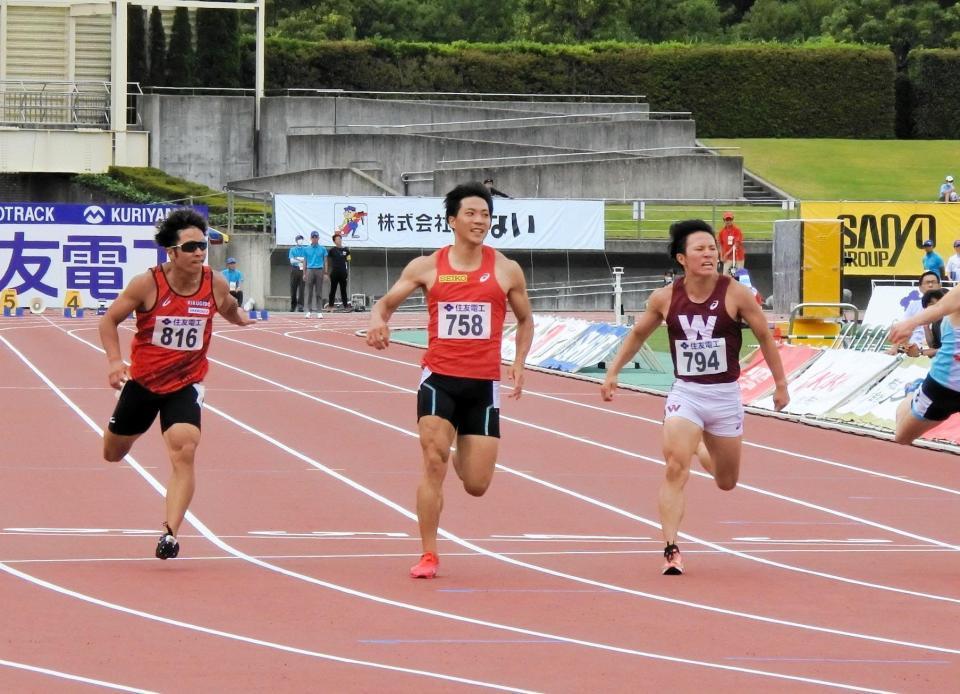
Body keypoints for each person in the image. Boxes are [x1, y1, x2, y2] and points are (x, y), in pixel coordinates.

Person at [600, 219, 789, 576]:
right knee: (674, 466)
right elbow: (638, 334)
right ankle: (671, 548)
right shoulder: (665, 298)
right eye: (700, 249)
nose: (709, 255)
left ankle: (702, 446)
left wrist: (781, 385)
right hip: (686, 393)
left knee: (726, 480)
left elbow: (765, 336)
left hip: (725, 396)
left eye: (712, 249)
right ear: (681, 258)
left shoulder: (735, 293)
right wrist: (613, 372)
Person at [366, 181, 534, 579]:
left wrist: (521, 360)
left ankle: (461, 441)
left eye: (486, 215)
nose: (480, 221)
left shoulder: (506, 269)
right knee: (433, 461)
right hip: (439, 378)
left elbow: (526, 319)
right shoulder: (427, 266)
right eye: (472, 214)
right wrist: (377, 322)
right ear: (452, 220)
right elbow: (384, 304)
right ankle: (429, 553)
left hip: (482, 386)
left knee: (477, 483)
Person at [98, 208, 255, 559]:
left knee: (185, 448)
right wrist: (113, 361)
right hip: (143, 382)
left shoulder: (214, 280)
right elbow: (109, 320)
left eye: (203, 246)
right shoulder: (147, 283)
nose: (200, 252)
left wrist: (239, 317)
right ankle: (117, 431)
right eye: (192, 247)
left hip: (187, 381)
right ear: (172, 252)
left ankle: (169, 533)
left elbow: (225, 304)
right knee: (112, 453)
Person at [889, 281, 960, 445]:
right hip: (944, 386)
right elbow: (938, 308)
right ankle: (913, 392)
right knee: (902, 437)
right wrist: (909, 323)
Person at [887, 271, 942, 357]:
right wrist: (894, 348)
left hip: (932, 349)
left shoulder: (948, 307)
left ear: (939, 286)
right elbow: (905, 328)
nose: (930, 285)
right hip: (912, 347)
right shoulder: (913, 305)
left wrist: (921, 352)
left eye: (933, 282)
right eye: (927, 283)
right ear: (920, 288)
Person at [303, 230, 328, 319]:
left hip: (319, 270)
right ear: (310, 238)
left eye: (316, 237)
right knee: (309, 292)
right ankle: (308, 311)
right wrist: (304, 273)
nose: (314, 238)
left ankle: (319, 311)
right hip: (310, 270)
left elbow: (325, 261)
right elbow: (305, 261)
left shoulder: (323, 249)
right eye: (313, 237)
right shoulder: (306, 249)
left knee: (319, 292)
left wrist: (325, 273)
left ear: (318, 238)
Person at [325, 233, 351, 310]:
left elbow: (349, 259)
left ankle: (346, 306)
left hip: (343, 272)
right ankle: (330, 306)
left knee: (343, 290)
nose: (339, 240)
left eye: (340, 239)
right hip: (335, 272)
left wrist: (348, 256)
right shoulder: (332, 250)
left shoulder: (346, 250)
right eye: (337, 239)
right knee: (333, 290)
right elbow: (327, 260)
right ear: (334, 241)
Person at [718, 211, 744, 276]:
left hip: (738, 257)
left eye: (730, 219)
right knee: (725, 276)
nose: (728, 221)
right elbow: (720, 244)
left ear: (732, 220)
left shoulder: (737, 230)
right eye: (727, 219)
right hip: (727, 258)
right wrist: (721, 256)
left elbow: (736, 244)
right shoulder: (722, 232)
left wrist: (727, 253)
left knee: (739, 276)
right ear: (724, 220)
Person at [289, 234, 306, 312]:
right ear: (296, 241)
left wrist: (297, 258)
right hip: (294, 269)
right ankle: (293, 305)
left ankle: (300, 306)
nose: (300, 241)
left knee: (302, 289)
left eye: (301, 239)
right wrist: (301, 259)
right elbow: (292, 261)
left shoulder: (305, 249)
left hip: (303, 269)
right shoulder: (292, 249)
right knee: (293, 288)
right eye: (299, 239)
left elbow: (306, 260)